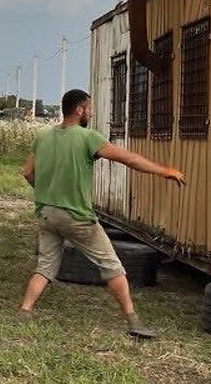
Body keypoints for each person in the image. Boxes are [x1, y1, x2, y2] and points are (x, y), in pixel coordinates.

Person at [18, 88, 185, 338]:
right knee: (112, 266)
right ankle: (133, 321)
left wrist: (46, 192)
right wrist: (164, 171)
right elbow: (128, 159)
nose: (92, 113)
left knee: (45, 265)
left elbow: (27, 172)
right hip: (76, 216)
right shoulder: (87, 137)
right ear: (80, 110)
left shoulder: (42, 135)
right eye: (90, 108)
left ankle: (25, 310)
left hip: (47, 213)